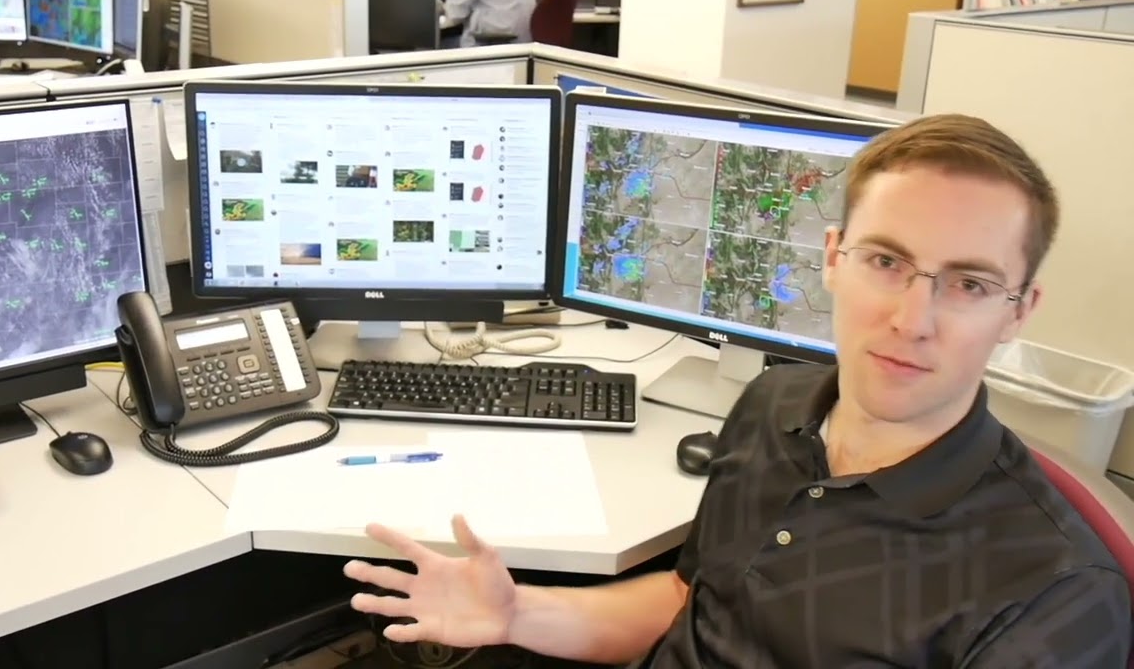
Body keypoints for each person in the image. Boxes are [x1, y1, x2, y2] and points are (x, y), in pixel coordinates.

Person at [342, 112, 1133, 667]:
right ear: (832, 257)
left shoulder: (1056, 593)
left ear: (1019, 313)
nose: (911, 319)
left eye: (967, 283)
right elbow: (693, 604)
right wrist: (518, 615)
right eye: (886, 262)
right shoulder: (774, 406)